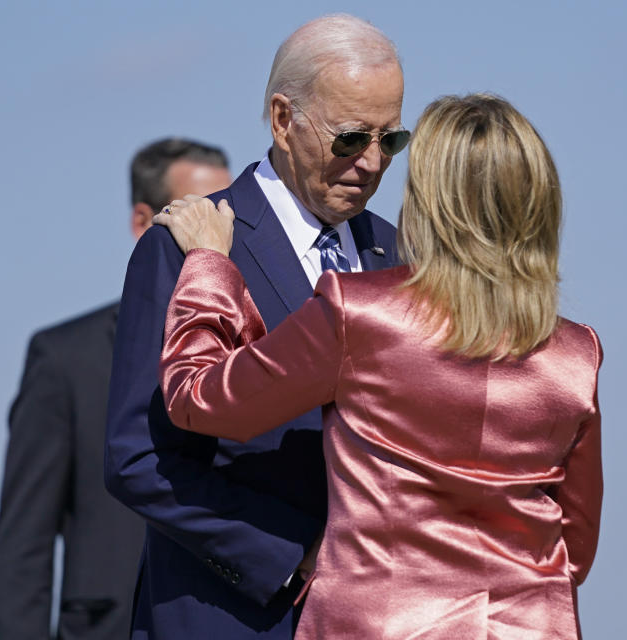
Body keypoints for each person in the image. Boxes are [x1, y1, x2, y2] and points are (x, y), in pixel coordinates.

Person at [154, 94, 603, 639]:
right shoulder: (578, 353)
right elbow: (573, 547)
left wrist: (209, 265)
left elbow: (196, 399)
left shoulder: (361, 312)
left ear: (434, 200)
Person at [103, 14, 405, 640]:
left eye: (391, 140)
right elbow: (138, 458)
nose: (373, 162)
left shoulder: (397, 251)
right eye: (350, 139)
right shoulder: (187, 246)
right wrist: (289, 555)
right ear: (282, 119)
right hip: (233, 616)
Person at [0, 138, 231, 640]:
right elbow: (24, 545)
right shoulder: (64, 360)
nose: (212, 233)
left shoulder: (259, 345)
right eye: (192, 214)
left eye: (225, 216)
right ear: (143, 223)